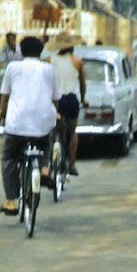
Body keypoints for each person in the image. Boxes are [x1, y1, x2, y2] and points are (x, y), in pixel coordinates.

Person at [0, 36, 59, 216]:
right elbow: (55, 99)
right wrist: (54, 113)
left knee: (8, 158)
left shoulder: (13, 67)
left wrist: (1, 112)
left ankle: (11, 202)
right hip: (41, 123)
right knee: (46, 140)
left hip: (16, 123)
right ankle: (45, 168)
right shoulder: (48, 69)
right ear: (40, 52)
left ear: (21, 51)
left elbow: (5, 95)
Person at [45, 30, 88, 176]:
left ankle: (49, 163)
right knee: (72, 133)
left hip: (55, 102)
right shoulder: (77, 62)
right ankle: (72, 165)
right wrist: (83, 99)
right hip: (71, 101)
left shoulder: (49, 61)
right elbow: (82, 85)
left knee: (52, 132)